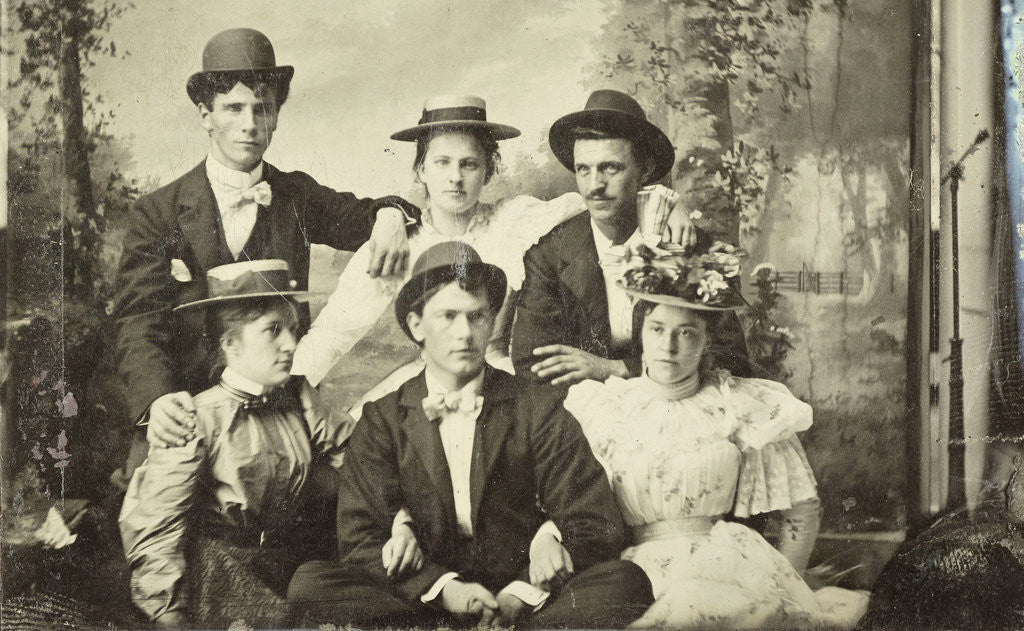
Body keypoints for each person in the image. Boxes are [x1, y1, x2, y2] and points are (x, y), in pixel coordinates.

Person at [286, 242, 654, 629]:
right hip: (429, 598)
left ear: (491, 321)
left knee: (626, 581)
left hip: (523, 591)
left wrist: (536, 565)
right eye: (448, 316)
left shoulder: (536, 406)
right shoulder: (383, 418)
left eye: (477, 316)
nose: (465, 333)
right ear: (416, 325)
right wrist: (446, 590)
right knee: (310, 583)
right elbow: (359, 537)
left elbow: (594, 519)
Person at [111, 28, 420, 483]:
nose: (250, 123)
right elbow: (138, 320)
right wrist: (157, 399)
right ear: (205, 115)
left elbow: (366, 216)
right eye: (234, 108)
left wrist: (392, 215)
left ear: (275, 116)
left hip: (278, 406)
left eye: (263, 108)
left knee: (349, 499)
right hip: (190, 406)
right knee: (152, 510)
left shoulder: (296, 195)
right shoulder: (158, 212)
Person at [532, 244, 869, 628]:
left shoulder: (738, 404)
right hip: (636, 574)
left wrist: (785, 584)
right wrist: (546, 535)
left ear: (706, 340)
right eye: (657, 329)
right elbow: (573, 500)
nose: (668, 346)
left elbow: (802, 509)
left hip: (729, 566)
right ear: (641, 333)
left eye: (686, 333)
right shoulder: (601, 407)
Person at [290, 95, 694, 414]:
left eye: (469, 164)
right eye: (442, 162)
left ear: (488, 170)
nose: (455, 177)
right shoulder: (397, 243)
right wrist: (282, 394)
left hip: (502, 377)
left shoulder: (514, 219)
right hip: (430, 379)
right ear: (420, 170)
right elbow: (333, 334)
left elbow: (595, 199)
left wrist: (665, 201)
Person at [118, 260, 420, 629]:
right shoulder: (197, 418)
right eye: (272, 331)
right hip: (222, 571)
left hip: (290, 559)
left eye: (292, 329)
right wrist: (168, 613)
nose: (290, 344)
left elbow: (364, 459)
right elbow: (155, 529)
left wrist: (401, 519)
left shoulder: (297, 396)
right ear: (230, 343)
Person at [511, 89, 752, 387]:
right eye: (583, 170)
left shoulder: (691, 247)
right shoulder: (549, 254)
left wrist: (617, 368)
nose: (594, 186)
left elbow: (731, 359)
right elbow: (534, 366)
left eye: (610, 167)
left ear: (645, 170)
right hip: (582, 417)